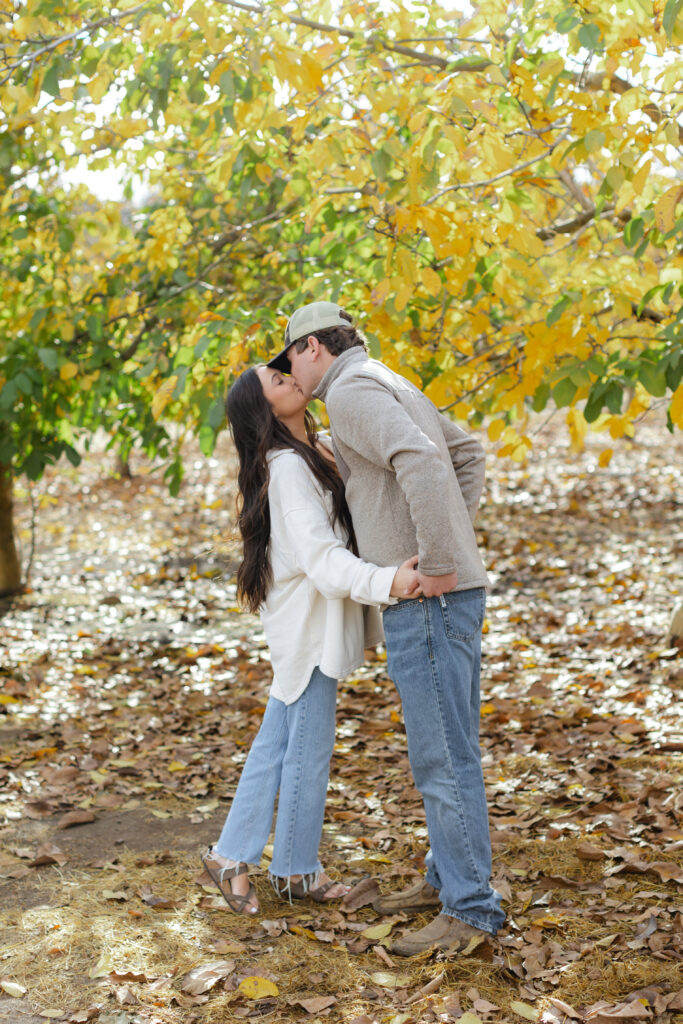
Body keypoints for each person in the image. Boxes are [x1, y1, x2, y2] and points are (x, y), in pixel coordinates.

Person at [267, 300, 505, 954]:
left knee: (441, 757)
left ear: (312, 347)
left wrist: (436, 560)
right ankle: (447, 880)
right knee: (452, 747)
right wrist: (450, 542)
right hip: (447, 596)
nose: (292, 372)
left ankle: (470, 911)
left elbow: (425, 461)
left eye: (290, 358)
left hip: (427, 601)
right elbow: (466, 454)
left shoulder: (349, 393)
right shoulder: (390, 378)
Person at [201, 363, 420, 915]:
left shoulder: (315, 448)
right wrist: (389, 582)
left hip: (315, 618)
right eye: (275, 381)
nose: (290, 377)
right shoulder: (288, 470)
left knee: (299, 743)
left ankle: (292, 867)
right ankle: (237, 855)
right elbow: (324, 562)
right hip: (305, 621)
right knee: (292, 743)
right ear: (265, 410)